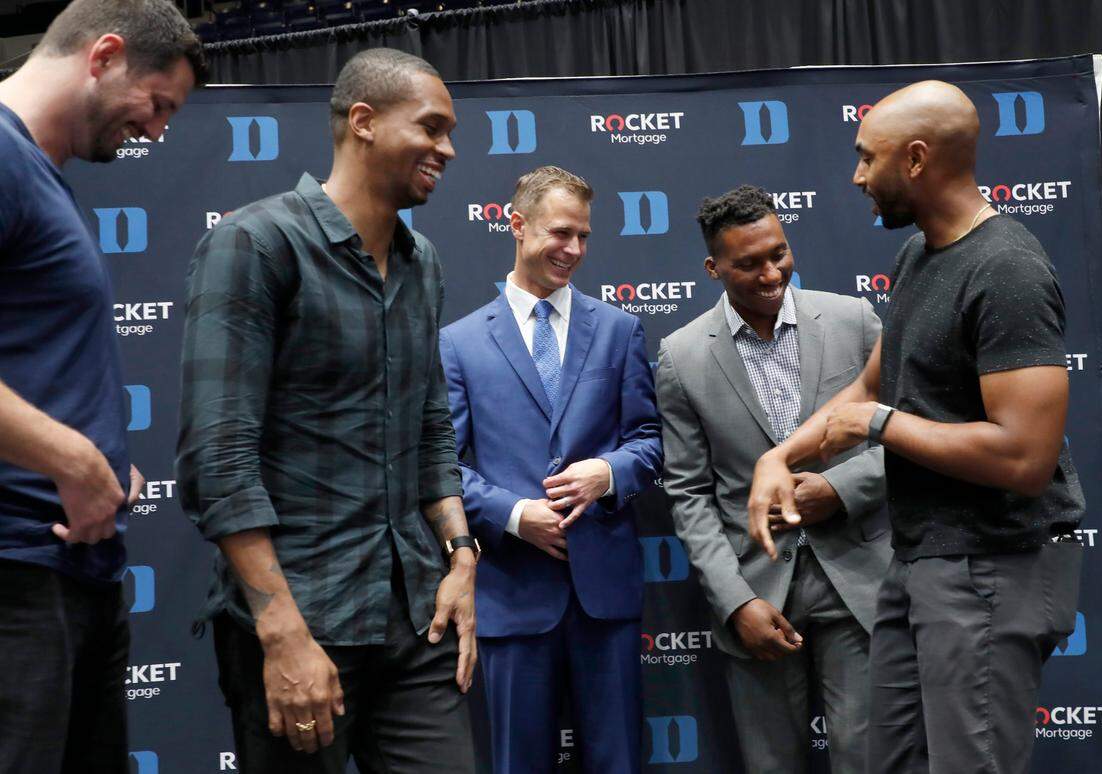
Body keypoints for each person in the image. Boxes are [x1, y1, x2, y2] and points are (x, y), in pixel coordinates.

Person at [748, 81, 1084, 774]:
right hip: (922, 561)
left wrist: (879, 424)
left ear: (918, 159)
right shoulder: (919, 258)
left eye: (868, 158)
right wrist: (778, 457)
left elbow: (1024, 455)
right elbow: (871, 386)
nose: (857, 175)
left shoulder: (1008, 270)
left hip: (992, 566)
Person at [176, 48, 478, 773]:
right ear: (364, 122)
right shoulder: (255, 243)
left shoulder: (423, 261)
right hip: (299, 616)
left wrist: (462, 557)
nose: (448, 149)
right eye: (432, 127)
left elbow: (430, 423)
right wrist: (279, 630)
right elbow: (217, 458)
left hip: (414, 614)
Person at [0, 1, 203, 771]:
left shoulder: (46, 179)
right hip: (17, 578)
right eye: (156, 105)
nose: (155, 132)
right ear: (104, 54)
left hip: (68, 576)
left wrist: (104, 458)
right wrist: (75, 462)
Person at [655, 185, 889, 774]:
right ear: (714, 268)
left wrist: (839, 489)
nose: (771, 273)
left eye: (778, 253)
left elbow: (907, 432)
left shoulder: (853, 320)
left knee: (869, 760)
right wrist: (735, 602)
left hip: (859, 583)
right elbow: (687, 492)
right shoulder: (681, 356)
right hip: (757, 594)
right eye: (748, 263)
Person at [439, 165, 662, 774]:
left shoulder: (619, 330)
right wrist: (514, 515)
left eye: (584, 237)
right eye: (561, 233)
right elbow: (445, 466)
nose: (575, 250)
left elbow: (648, 442)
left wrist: (607, 474)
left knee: (619, 761)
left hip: (604, 595)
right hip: (512, 595)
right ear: (516, 225)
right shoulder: (457, 344)